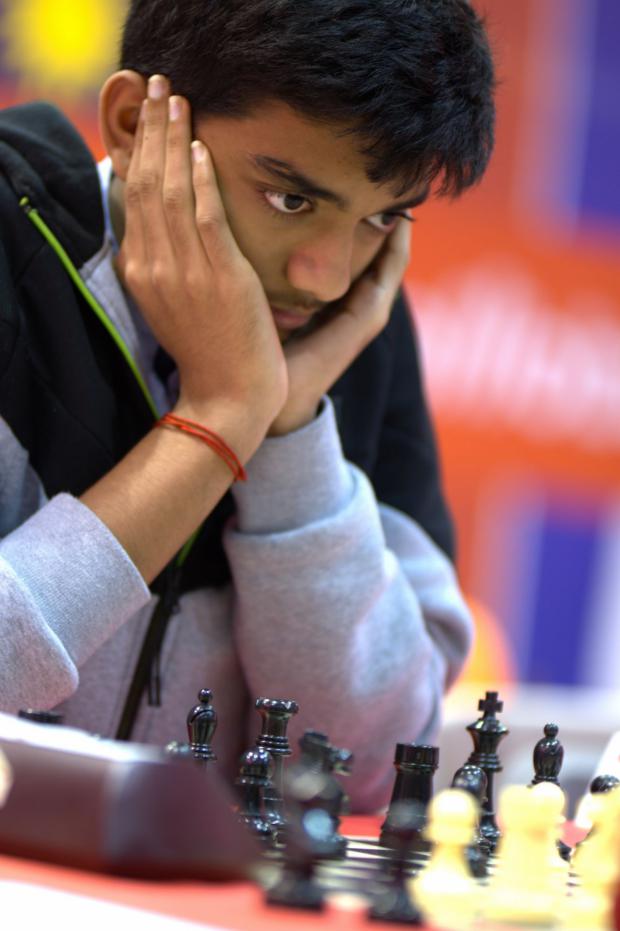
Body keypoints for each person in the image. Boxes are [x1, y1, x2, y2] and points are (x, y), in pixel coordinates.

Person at [0, 0, 495, 810]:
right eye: (291, 199)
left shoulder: (356, 328)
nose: (324, 276)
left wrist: (291, 432)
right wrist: (224, 418)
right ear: (133, 125)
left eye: (380, 217)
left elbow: (369, 768)